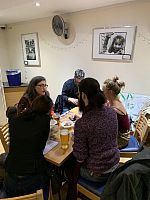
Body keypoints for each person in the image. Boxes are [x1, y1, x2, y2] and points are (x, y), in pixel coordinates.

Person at [66, 77, 120, 200]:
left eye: (79, 93)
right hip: (115, 164)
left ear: (84, 95)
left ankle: (76, 193)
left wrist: (77, 140)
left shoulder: (82, 123)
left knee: (68, 165)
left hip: (98, 173)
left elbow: (80, 157)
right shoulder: (111, 111)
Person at [3, 95, 53, 200]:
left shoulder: (13, 119)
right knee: (52, 179)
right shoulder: (44, 121)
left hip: (10, 181)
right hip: (32, 182)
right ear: (48, 111)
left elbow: (10, 110)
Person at [103, 76, 130, 149]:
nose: (103, 94)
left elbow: (107, 127)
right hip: (123, 135)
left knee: (96, 142)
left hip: (121, 139)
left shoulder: (114, 109)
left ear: (110, 93)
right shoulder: (117, 101)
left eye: (104, 92)